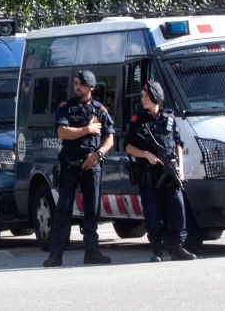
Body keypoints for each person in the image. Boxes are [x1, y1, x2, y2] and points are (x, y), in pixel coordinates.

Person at [43, 70, 115, 267]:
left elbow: (110, 137)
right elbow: (62, 132)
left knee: (92, 211)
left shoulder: (100, 110)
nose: (77, 87)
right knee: (63, 211)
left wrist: (98, 154)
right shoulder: (66, 108)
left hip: (92, 165)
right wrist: (87, 129)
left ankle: (92, 252)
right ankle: (55, 255)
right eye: (76, 83)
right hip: (70, 165)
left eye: (81, 84)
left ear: (90, 87)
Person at [125, 79, 197, 262]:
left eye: (146, 96)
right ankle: (157, 249)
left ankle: (178, 247)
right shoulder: (138, 120)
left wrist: (180, 168)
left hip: (170, 173)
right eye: (142, 96)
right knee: (152, 213)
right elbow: (128, 147)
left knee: (177, 208)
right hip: (149, 174)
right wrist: (145, 154)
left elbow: (178, 144)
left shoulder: (169, 118)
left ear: (155, 96)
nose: (143, 99)